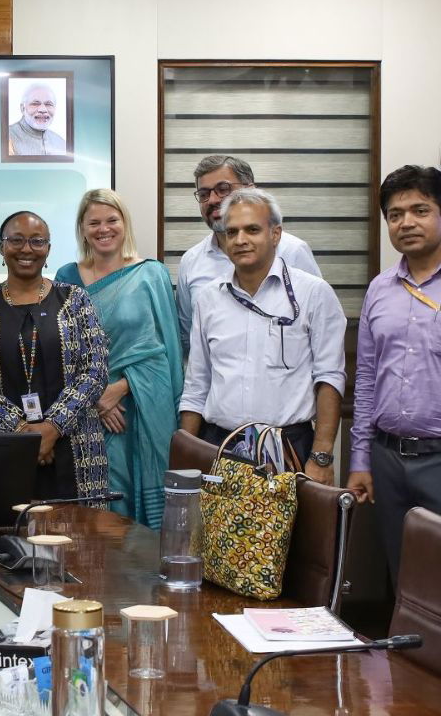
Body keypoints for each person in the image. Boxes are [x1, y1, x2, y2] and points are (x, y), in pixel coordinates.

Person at [180, 188, 345, 478]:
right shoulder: (209, 298)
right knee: (217, 526)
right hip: (219, 445)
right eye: (232, 232)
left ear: (275, 234)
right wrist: (184, 458)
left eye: (252, 230)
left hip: (289, 447)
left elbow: (329, 377)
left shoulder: (313, 293)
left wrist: (321, 456)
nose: (241, 240)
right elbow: (196, 385)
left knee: (291, 526)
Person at [0, 210, 109, 500]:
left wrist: (52, 427)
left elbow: (96, 369)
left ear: (48, 249)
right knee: (8, 538)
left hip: (76, 446)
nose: (26, 249)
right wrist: (23, 433)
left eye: (37, 241)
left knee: (81, 542)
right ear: (2, 248)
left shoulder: (75, 300)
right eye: (16, 240)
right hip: (5, 447)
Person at [56, 189, 182, 529]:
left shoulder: (150, 273)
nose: (103, 229)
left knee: (143, 508)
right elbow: (63, 350)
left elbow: (165, 347)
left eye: (112, 220)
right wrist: (97, 396)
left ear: (124, 224)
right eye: (93, 222)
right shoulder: (66, 278)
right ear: (82, 228)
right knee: (101, 510)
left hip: (141, 410)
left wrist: (121, 388)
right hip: (86, 414)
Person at [349, 165, 441, 582]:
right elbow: (367, 378)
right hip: (388, 460)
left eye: (420, 210)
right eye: (395, 214)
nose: (407, 222)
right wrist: (361, 460)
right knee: (404, 578)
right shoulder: (380, 289)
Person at [176, 155, 322, 353]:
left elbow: (321, 329)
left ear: (251, 191)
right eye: (204, 194)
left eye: (223, 189)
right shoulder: (191, 261)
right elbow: (189, 336)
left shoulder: (292, 250)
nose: (212, 200)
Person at [7, 82, 66, 156]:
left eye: (48, 104)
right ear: (22, 108)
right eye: (35, 104)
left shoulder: (61, 143)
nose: (43, 109)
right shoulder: (6, 136)